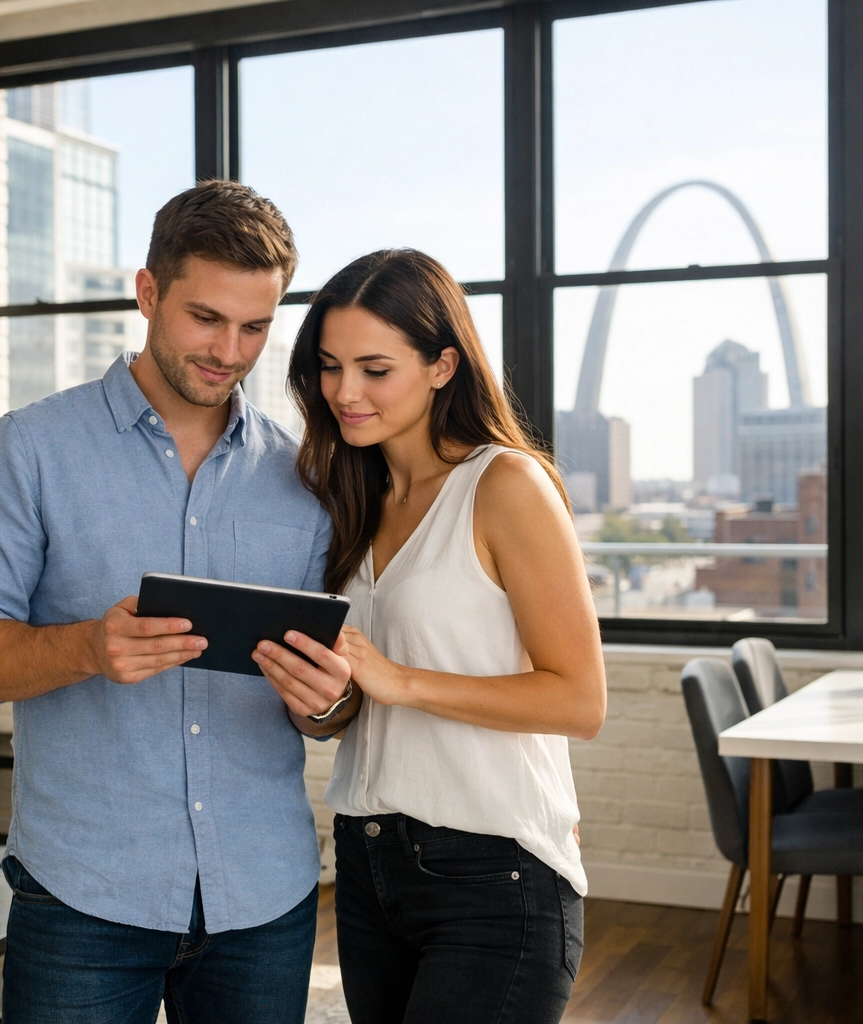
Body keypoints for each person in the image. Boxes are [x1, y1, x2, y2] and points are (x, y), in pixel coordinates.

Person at [0, 180, 355, 1024]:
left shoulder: (306, 479)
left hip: (261, 897)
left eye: (255, 327)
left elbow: (324, 709)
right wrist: (85, 647)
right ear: (148, 293)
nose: (229, 350)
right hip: (84, 894)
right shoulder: (30, 450)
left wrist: (328, 702)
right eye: (205, 317)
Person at [249, 249, 605, 1024]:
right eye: (331, 366)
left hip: (493, 877)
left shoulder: (505, 484)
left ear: (443, 365)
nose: (345, 392)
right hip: (369, 864)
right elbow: (351, 706)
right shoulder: (352, 497)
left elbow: (580, 700)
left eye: (376, 369)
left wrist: (401, 679)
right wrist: (320, 703)